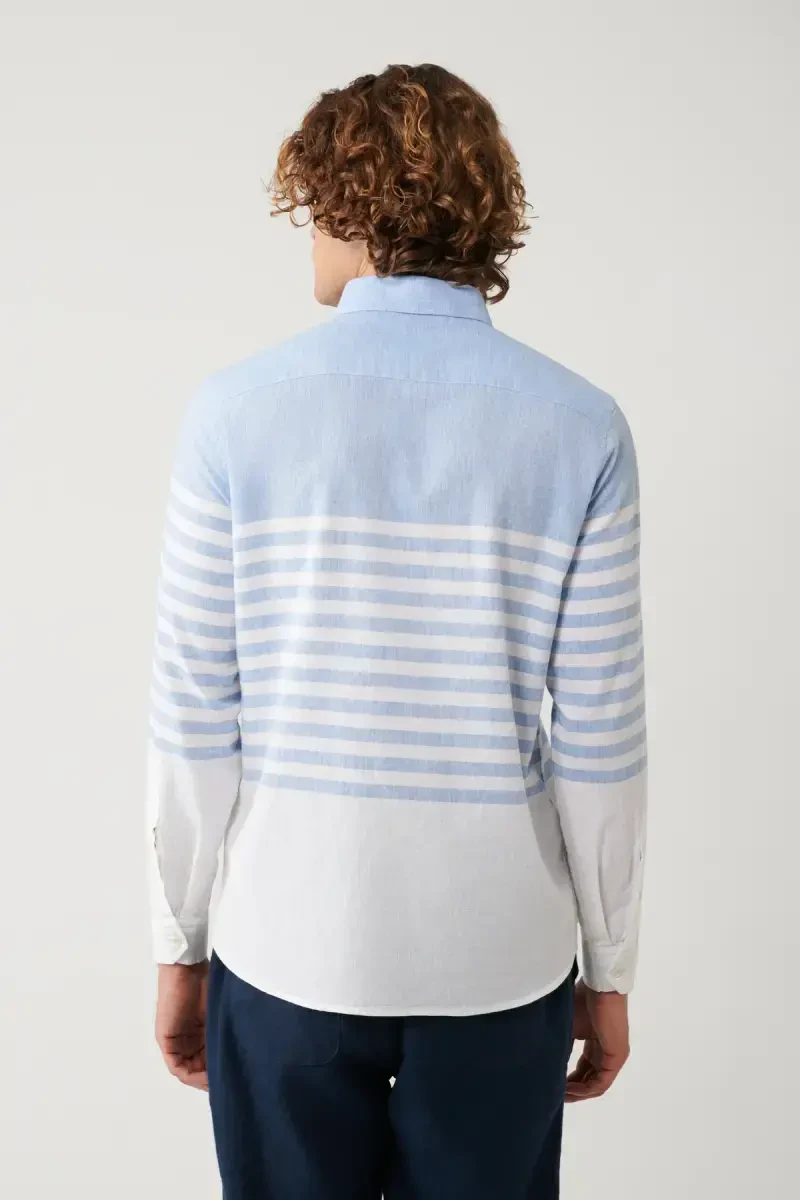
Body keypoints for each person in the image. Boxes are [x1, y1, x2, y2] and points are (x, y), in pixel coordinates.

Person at [148, 62, 648, 1199]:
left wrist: (180, 945)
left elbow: (194, 719)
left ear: (349, 202)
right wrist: (610, 968)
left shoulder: (232, 416)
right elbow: (600, 739)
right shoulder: (582, 428)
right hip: (498, 957)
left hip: (289, 944)